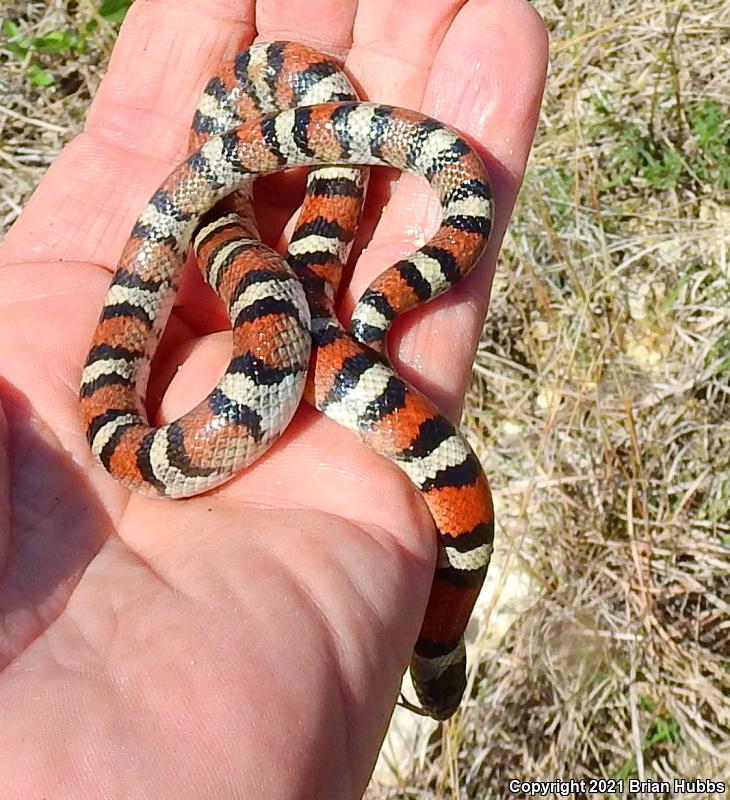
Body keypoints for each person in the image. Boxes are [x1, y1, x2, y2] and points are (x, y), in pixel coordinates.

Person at [0, 0, 548, 796]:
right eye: (431, 652)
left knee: (288, 245)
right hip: (183, 411)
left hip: (270, 190)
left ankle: (348, 252)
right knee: (254, 258)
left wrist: (362, 308)